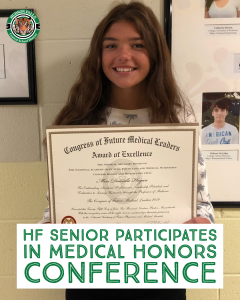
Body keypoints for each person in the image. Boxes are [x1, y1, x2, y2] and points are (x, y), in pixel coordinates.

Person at [40, 2, 215, 299]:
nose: (123, 55)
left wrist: (203, 227)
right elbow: (57, 209)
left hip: (161, 274)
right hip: (91, 275)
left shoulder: (178, 120)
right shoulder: (78, 120)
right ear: (98, 54)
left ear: (155, 54)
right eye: (111, 45)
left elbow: (202, 204)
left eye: (138, 45)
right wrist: (49, 232)